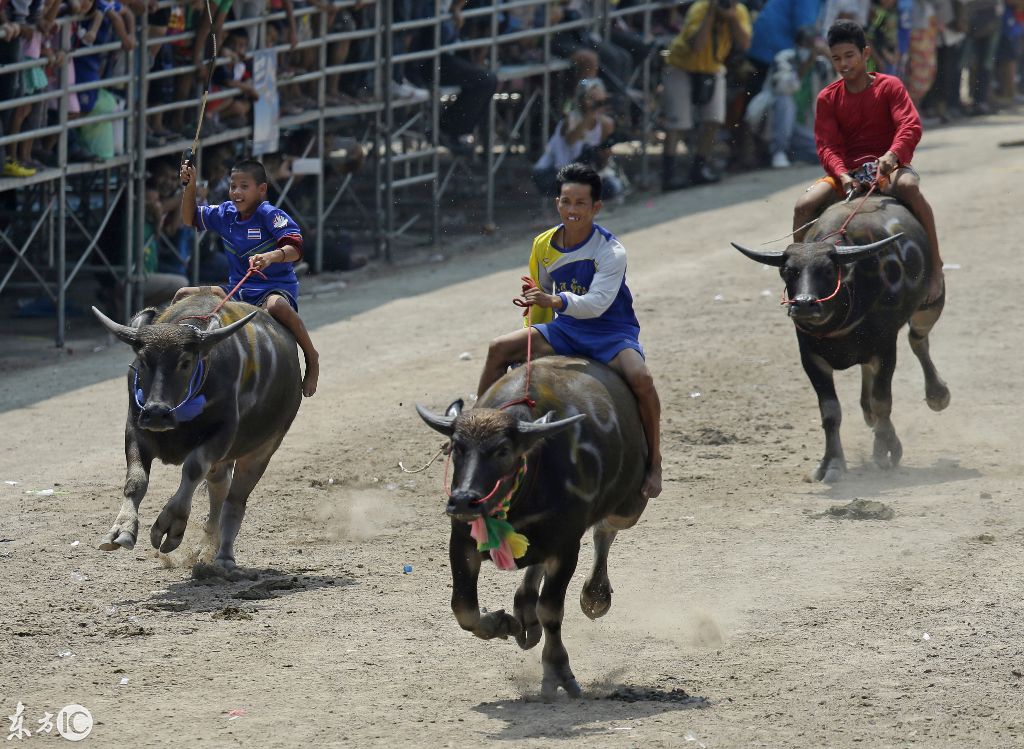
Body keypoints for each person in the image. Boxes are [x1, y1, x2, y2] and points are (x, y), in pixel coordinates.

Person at [477, 162, 663, 500]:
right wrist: (532, 334)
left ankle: (655, 462)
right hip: (565, 329)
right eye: (566, 202)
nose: (572, 210)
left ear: (596, 207)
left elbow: (597, 304)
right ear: (557, 203)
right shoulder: (543, 244)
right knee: (498, 349)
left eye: (580, 204)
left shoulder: (610, 250)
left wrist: (554, 299)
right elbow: (539, 301)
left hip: (610, 333)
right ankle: (476, 431)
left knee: (643, 380)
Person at [793, 20, 945, 303]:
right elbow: (826, 146)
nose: (843, 64)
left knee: (910, 187)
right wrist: (842, 175)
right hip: (848, 174)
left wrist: (891, 155)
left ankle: (935, 265)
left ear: (865, 53)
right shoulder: (828, 98)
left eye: (849, 56)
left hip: (889, 167)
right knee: (803, 206)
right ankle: (800, 273)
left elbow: (910, 126)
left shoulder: (890, 86)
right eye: (836, 58)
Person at [177, 157, 320, 397]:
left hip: (273, 288)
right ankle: (177, 358)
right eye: (233, 186)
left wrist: (271, 256)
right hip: (236, 290)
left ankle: (311, 357)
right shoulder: (225, 213)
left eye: (244, 186)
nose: (236, 192)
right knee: (182, 294)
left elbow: (296, 249)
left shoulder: (270, 214)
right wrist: (189, 187)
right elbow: (188, 218)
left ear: (261, 189)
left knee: (278, 306)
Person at [661, 0, 752, 189]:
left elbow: (744, 44)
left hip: (712, 68)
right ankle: (668, 176)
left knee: (714, 120)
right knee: (678, 123)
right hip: (681, 67)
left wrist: (732, 17)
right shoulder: (700, 8)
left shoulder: (738, 11)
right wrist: (711, 12)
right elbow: (698, 46)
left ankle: (699, 169)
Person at [532, 78, 623, 200]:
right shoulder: (570, 120)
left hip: (578, 175)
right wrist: (590, 114)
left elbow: (599, 163)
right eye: (591, 99)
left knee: (611, 187)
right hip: (551, 172)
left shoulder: (605, 124)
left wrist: (605, 156)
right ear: (581, 99)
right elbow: (571, 140)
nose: (596, 105)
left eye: (600, 101)